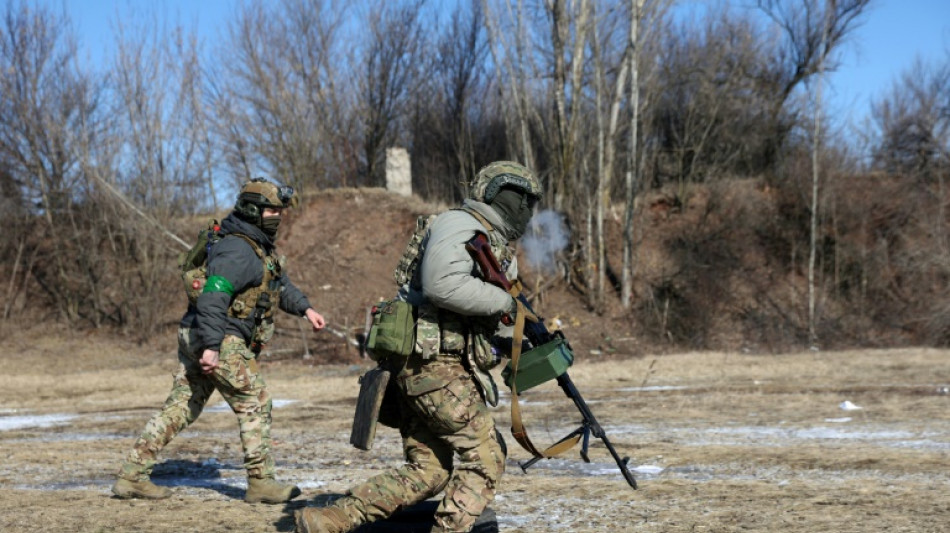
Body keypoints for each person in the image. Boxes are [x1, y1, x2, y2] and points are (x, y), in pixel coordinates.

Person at [295, 161, 542, 533]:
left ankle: (327, 521)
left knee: (429, 471)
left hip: (425, 367)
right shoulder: (462, 224)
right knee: (487, 458)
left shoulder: (489, 240)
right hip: (433, 366)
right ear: (497, 193)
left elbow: (477, 315)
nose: (527, 209)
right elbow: (443, 285)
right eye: (522, 199)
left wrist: (524, 336)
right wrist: (506, 304)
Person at [112, 177, 326, 504]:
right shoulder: (238, 250)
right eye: (272, 211)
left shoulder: (254, 246)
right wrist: (213, 346)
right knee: (255, 401)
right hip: (219, 336)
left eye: (280, 211)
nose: (278, 217)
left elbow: (277, 285)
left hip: (202, 333)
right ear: (253, 211)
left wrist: (306, 308)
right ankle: (261, 483)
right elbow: (213, 296)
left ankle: (131, 476)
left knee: (184, 404)